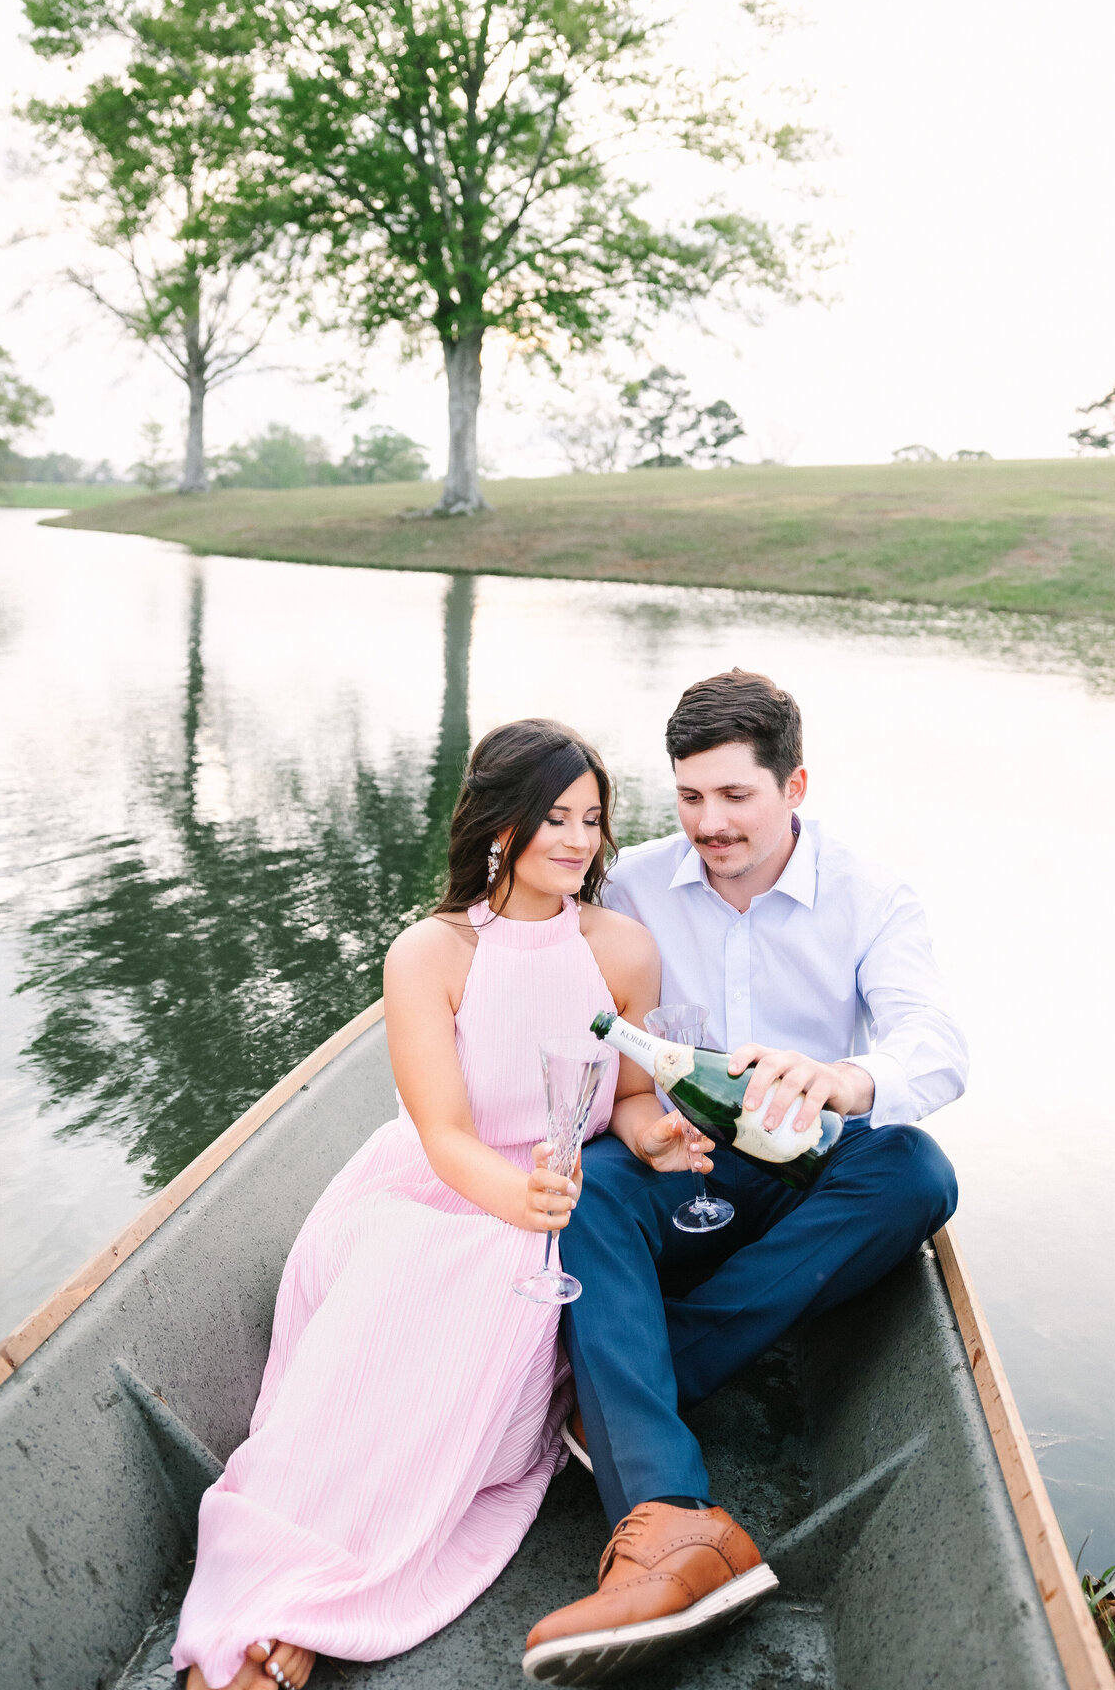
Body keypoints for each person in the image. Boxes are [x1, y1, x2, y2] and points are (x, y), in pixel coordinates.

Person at [173, 718, 702, 1690]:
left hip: (557, 1198)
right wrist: (520, 1199)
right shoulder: (431, 952)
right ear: (501, 826)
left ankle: (310, 1612)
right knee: (405, 1297)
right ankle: (270, 1599)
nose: (580, 841)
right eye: (555, 818)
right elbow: (444, 1133)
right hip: (441, 1186)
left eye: (592, 819)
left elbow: (625, 1096)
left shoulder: (623, 950)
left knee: (493, 1296)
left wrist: (652, 1135)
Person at [524, 670, 966, 1683]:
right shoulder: (628, 880)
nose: (709, 823)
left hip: (809, 1161)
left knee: (917, 1172)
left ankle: (635, 1381)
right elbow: (524, 933)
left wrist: (844, 1078)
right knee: (587, 1189)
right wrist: (638, 1123)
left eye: (736, 797)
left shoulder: (871, 894)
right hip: (679, 1160)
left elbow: (937, 1047)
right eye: (689, 797)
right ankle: (676, 1519)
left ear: (794, 785)